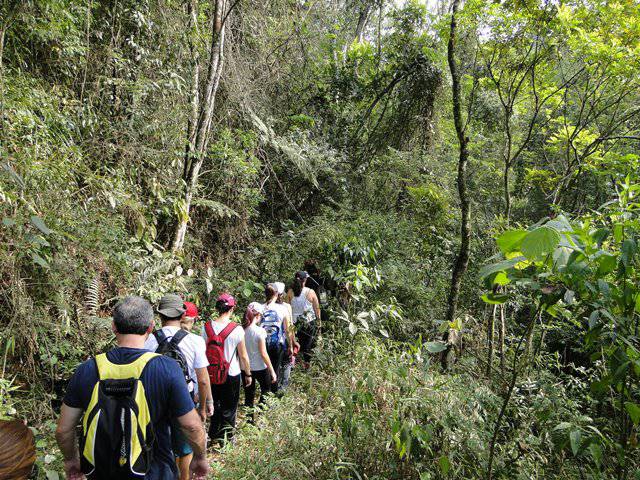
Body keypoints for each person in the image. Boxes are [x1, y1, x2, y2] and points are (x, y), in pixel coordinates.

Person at [56, 296, 209, 480]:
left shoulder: (87, 369)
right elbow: (191, 426)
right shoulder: (166, 368)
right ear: (151, 327)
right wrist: (200, 457)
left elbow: (64, 430)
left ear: (113, 327)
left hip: (101, 472)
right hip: (154, 472)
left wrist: (71, 460)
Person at [144, 295, 211, 480]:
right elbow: (203, 380)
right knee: (185, 447)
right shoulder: (195, 341)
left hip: (154, 401)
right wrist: (203, 408)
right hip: (185, 398)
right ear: (182, 314)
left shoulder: (148, 341)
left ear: (160, 315)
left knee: (162, 445)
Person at [201, 293, 252, 445]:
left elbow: (203, 351)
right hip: (231, 374)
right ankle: (227, 439)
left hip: (211, 372)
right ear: (232, 309)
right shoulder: (236, 329)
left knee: (214, 403)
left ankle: (213, 434)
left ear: (217, 308)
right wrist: (248, 374)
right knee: (229, 407)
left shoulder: (206, 327)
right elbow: (243, 356)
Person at [241, 302, 278, 421]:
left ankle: (249, 420)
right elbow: (263, 353)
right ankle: (262, 416)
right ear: (258, 316)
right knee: (266, 392)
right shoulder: (259, 331)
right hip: (261, 368)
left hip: (245, 369)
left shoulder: (241, 330)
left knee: (249, 395)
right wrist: (272, 370)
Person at [262, 284, 295, 394]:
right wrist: (290, 345)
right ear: (276, 294)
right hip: (277, 344)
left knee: (265, 370)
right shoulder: (282, 309)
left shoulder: (260, 308)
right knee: (275, 370)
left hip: (262, 344)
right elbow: (287, 330)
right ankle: (273, 393)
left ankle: (265, 394)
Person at [286, 271, 321, 369]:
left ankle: (292, 363)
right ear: (305, 280)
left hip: (294, 323)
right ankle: (307, 366)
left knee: (295, 344)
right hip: (309, 322)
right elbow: (317, 309)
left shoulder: (290, 292)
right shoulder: (311, 292)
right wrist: (319, 323)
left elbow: (286, 310)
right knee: (307, 346)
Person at [274, 281, 299, 392]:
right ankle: (283, 389)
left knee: (276, 364)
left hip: (272, 342)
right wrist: (292, 342)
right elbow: (290, 327)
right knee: (287, 362)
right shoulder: (286, 307)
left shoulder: (267, 306)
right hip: (284, 341)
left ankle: (275, 388)